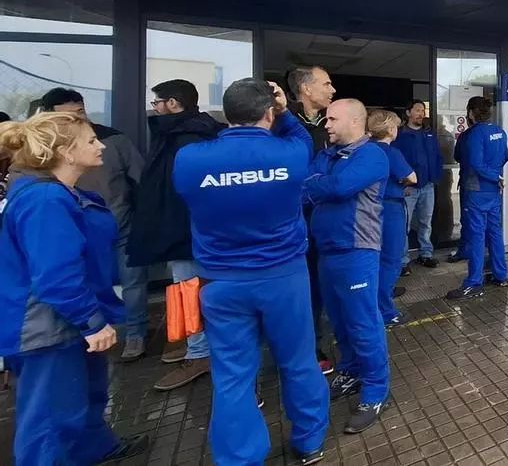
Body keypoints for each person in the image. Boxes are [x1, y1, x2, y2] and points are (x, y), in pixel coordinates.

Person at [172, 80, 329, 463]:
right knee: (298, 362)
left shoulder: (190, 159)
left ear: (227, 113)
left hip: (221, 282)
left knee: (232, 375)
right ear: (269, 111)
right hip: (284, 276)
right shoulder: (291, 152)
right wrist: (285, 109)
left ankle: (241, 457)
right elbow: (300, 136)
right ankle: (309, 441)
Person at [0, 112, 149, 464]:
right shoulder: (45, 201)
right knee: (50, 419)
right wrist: (90, 322)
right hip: (47, 327)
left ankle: (94, 449)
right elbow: (55, 274)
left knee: (85, 394)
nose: (100, 146)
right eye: (92, 141)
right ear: (66, 152)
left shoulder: (59, 193)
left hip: (67, 320)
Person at [128, 79, 223, 390]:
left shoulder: (188, 137)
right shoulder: (184, 133)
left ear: (173, 104)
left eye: (158, 102)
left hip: (185, 231)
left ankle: (200, 354)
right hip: (183, 229)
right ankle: (197, 347)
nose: (154, 109)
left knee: (189, 290)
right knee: (189, 291)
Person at [40, 88, 148, 362]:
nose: (77, 121)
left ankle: (135, 335)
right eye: (67, 117)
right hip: (78, 232)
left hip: (122, 224)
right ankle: (92, 331)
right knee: (83, 282)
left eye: (80, 113)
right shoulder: (42, 164)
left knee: (133, 282)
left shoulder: (113, 140)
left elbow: (142, 179)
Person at [304, 98, 390, 433]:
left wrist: (316, 185)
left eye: (332, 119)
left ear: (355, 121)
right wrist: (317, 185)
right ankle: (351, 372)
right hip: (326, 252)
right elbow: (305, 186)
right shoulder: (327, 154)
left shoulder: (372, 154)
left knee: (363, 325)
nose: (326, 124)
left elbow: (338, 187)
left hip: (357, 252)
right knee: (339, 323)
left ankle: (375, 391)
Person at [288, 65, 338, 375]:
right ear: (306, 89)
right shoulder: (284, 124)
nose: (332, 90)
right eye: (327, 83)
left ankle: (314, 343)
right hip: (293, 220)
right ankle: (297, 349)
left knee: (318, 284)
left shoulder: (329, 124)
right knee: (295, 286)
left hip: (324, 218)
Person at [446, 97, 508, 300]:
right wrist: (497, 175)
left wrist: (493, 175)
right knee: (495, 233)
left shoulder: (472, 135)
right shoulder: (499, 131)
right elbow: (506, 156)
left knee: (476, 236)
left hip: (476, 191)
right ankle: (501, 276)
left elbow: (474, 163)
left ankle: (474, 282)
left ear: (472, 113)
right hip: (493, 191)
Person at [367, 109, 417, 327]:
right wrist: (400, 184)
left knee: (373, 260)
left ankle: (371, 305)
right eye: (395, 126)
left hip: (367, 211)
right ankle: (386, 312)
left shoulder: (364, 150)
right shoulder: (391, 152)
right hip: (390, 209)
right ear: (389, 129)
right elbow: (412, 178)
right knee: (390, 260)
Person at [394, 100, 442, 270]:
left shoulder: (429, 135)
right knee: (404, 225)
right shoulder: (399, 136)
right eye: (417, 110)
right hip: (408, 188)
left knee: (425, 223)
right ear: (408, 113)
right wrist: (402, 183)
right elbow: (395, 161)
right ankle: (402, 261)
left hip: (427, 186)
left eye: (423, 110)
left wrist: (434, 178)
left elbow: (437, 158)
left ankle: (426, 254)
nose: (421, 114)